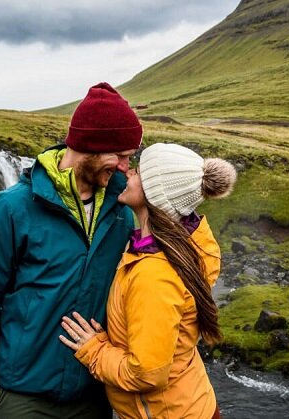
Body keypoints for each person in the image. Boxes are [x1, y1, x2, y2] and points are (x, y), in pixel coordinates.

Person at [0, 82, 143, 419]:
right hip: (23, 395)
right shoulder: (12, 209)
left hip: (94, 392)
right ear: (89, 146)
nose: (124, 166)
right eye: (118, 155)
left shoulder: (123, 211)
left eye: (128, 157)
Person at [59, 143, 237, 419]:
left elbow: (146, 374)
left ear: (156, 195)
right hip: (193, 404)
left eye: (139, 172)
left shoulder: (154, 275)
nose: (128, 173)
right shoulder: (187, 245)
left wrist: (93, 350)